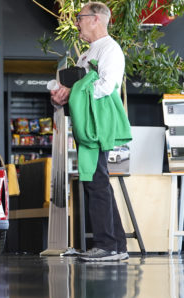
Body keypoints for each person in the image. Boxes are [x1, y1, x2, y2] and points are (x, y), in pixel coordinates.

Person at [50, 2, 130, 262]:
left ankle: (106, 245)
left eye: (80, 18)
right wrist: (61, 95)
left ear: (96, 19)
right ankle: (116, 245)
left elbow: (106, 87)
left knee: (96, 181)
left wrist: (74, 92)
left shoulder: (110, 49)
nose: (77, 23)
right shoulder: (86, 54)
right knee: (97, 180)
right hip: (87, 124)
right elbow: (78, 89)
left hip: (99, 123)